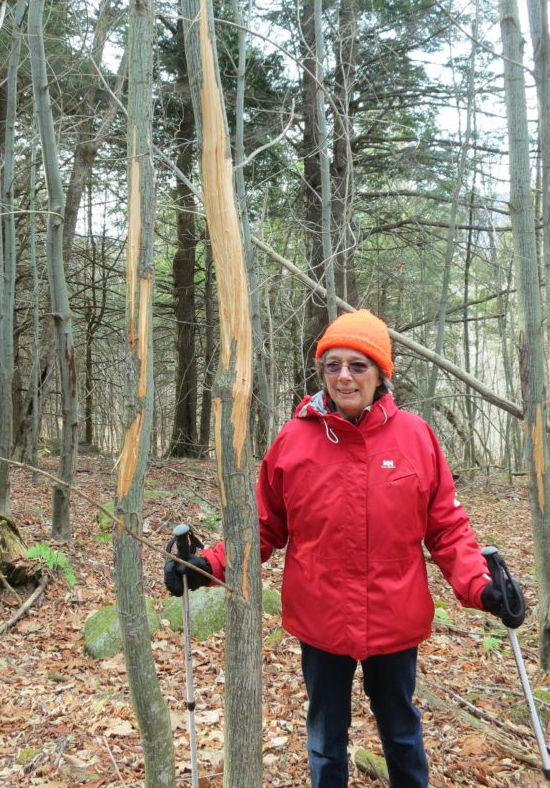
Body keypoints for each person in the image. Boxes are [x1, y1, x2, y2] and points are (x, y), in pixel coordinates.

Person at [164, 308, 524, 788]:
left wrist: (481, 587)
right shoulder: (294, 440)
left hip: (395, 618)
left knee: (401, 732)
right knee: (325, 739)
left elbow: (446, 529)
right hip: (321, 618)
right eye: (333, 365)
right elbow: (263, 526)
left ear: (381, 374)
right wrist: (208, 563)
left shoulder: (416, 437)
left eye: (358, 365)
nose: (344, 376)